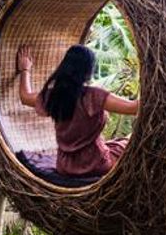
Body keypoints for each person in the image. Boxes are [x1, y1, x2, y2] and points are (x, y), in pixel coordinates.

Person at [16, 44, 138, 178]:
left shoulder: (54, 96)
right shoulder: (93, 96)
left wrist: (25, 70)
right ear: (88, 70)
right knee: (126, 144)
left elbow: (25, 97)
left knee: (114, 144)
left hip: (65, 166)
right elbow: (133, 108)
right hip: (95, 164)